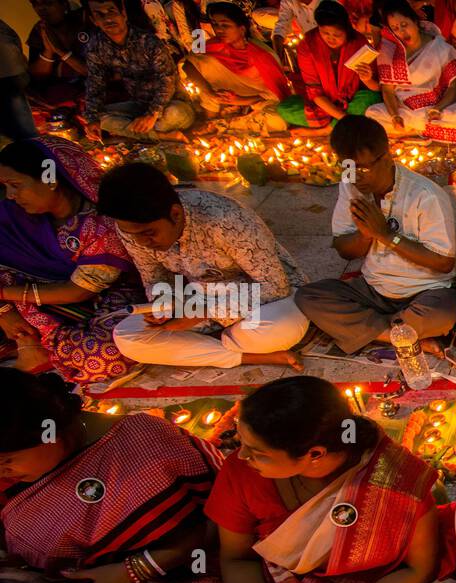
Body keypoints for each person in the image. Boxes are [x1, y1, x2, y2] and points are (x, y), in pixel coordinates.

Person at [188, 376, 456, 583]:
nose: (240, 456)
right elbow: (237, 559)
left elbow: (418, 569)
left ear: (314, 453)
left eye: (256, 452)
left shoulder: (397, 477)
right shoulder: (242, 473)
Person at [0, 369, 225, 583]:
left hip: (185, 582)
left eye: (7, 461)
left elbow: (228, 517)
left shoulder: (143, 440)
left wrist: (132, 572)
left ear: (49, 429)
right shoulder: (18, 483)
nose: (2, 473)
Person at [101, 163, 310, 370]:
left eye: (148, 233)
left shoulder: (226, 220)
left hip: (267, 301)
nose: (140, 243)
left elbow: (275, 287)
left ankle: (220, 345)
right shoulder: (133, 231)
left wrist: (203, 312)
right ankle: (251, 356)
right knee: (126, 337)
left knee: (277, 329)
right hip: (198, 301)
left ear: (175, 214)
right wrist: (163, 305)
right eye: (130, 234)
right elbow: (155, 278)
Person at [296, 115, 456, 355]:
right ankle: (400, 336)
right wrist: (365, 235)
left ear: (386, 157)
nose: (356, 177)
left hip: (425, 291)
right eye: (347, 168)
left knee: (443, 314)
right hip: (373, 289)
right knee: (308, 296)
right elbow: (344, 249)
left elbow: (444, 263)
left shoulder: (425, 195)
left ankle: (374, 331)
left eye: (362, 168)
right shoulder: (350, 186)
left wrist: (385, 235)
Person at [0, 138, 138, 384]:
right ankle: (26, 340)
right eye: (5, 187)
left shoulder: (99, 225)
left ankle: (37, 343)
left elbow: (78, 291)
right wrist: (5, 312)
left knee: (103, 357)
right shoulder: (15, 215)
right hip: (24, 299)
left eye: (15, 185)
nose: (10, 196)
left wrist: (5, 294)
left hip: (99, 300)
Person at [82, 0, 195, 142]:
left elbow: (167, 79)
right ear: (94, 21)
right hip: (139, 105)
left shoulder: (148, 41)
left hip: (171, 105)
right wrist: (92, 119)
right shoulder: (96, 46)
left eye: (111, 11)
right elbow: (94, 82)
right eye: (99, 14)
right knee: (96, 118)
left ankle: (140, 134)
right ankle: (162, 136)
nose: (108, 18)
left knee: (174, 114)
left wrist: (152, 114)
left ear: (123, 14)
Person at [273, 0, 382, 133]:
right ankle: (346, 123)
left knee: (371, 99)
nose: (331, 38)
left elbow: (376, 89)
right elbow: (315, 93)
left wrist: (367, 79)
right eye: (325, 33)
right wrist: (344, 117)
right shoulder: (307, 45)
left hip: (353, 99)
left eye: (337, 35)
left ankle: (324, 130)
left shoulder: (358, 43)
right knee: (285, 108)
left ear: (346, 30)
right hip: (323, 104)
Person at [367, 0, 456, 142]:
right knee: (373, 114)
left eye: (404, 25)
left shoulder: (438, 46)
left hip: (434, 108)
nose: (401, 32)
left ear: (415, 21)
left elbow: (454, 87)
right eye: (395, 28)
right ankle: (420, 132)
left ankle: (408, 133)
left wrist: (438, 108)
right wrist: (395, 116)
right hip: (403, 109)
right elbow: (388, 91)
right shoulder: (390, 49)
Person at [183, 2, 291, 131]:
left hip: (257, 102)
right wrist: (211, 94)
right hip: (224, 99)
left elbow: (276, 95)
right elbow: (188, 65)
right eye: (216, 25)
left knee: (278, 120)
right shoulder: (211, 46)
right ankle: (217, 120)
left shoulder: (262, 55)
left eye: (225, 25)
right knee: (203, 65)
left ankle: (224, 125)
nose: (219, 30)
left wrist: (239, 101)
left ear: (242, 29)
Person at [24, 0, 91, 110]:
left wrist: (61, 51)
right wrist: (48, 51)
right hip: (58, 93)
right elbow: (37, 75)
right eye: (35, 4)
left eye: (48, 3)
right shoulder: (40, 30)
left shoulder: (84, 23)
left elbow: (96, 72)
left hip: (88, 88)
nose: (41, 8)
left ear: (64, 4)